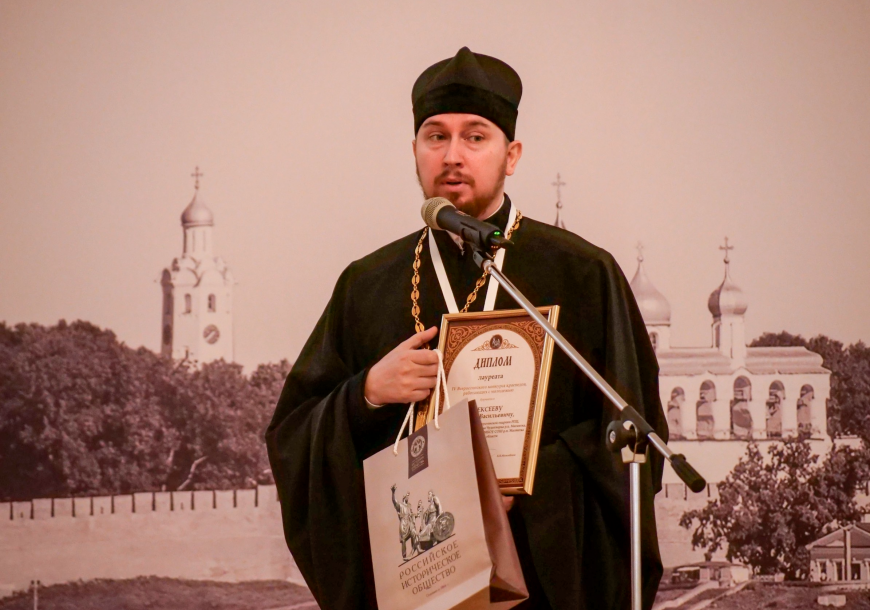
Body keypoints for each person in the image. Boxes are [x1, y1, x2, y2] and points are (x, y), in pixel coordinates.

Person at [266, 47, 667, 610]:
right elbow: (293, 438)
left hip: (546, 586)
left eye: (475, 136)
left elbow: (632, 440)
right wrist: (365, 395)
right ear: (414, 151)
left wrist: (529, 482)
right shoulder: (366, 284)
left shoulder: (583, 273)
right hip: (416, 585)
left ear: (512, 155)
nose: (452, 155)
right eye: (436, 137)